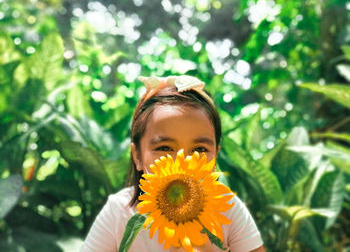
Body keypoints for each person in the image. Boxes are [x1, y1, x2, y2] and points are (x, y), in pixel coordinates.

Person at [81, 76, 265, 252]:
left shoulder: (229, 209)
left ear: (215, 155)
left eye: (200, 150)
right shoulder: (119, 213)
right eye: (164, 148)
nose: (182, 162)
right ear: (137, 156)